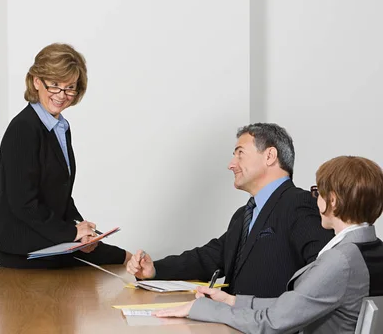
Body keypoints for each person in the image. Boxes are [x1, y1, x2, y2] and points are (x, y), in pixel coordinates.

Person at [154, 156, 383, 334]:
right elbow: (297, 304)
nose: (316, 200)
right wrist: (233, 301)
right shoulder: (370, 249)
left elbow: (273, 323)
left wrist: (202, 309)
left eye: (318, 193)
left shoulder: (340, 260)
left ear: (331, 201)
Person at [127, 123, 334, 297]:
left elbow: (325, 277)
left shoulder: (300, 204)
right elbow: (207, 258)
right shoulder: (244, 215)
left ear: (270, 155)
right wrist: (155, 270)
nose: (231, 164)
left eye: (240, 154)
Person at [0, 43, 131, 268]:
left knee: (123, 258)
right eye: (54, 85)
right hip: (23, 246)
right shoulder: (23, 129)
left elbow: (59, 195)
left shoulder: (59, 127)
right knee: (116, 263)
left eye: (70, 87)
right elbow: (23, 203)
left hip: (50, 236)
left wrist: (82, 230)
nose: (62, 95)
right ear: (37, 81)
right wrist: (71, 232)